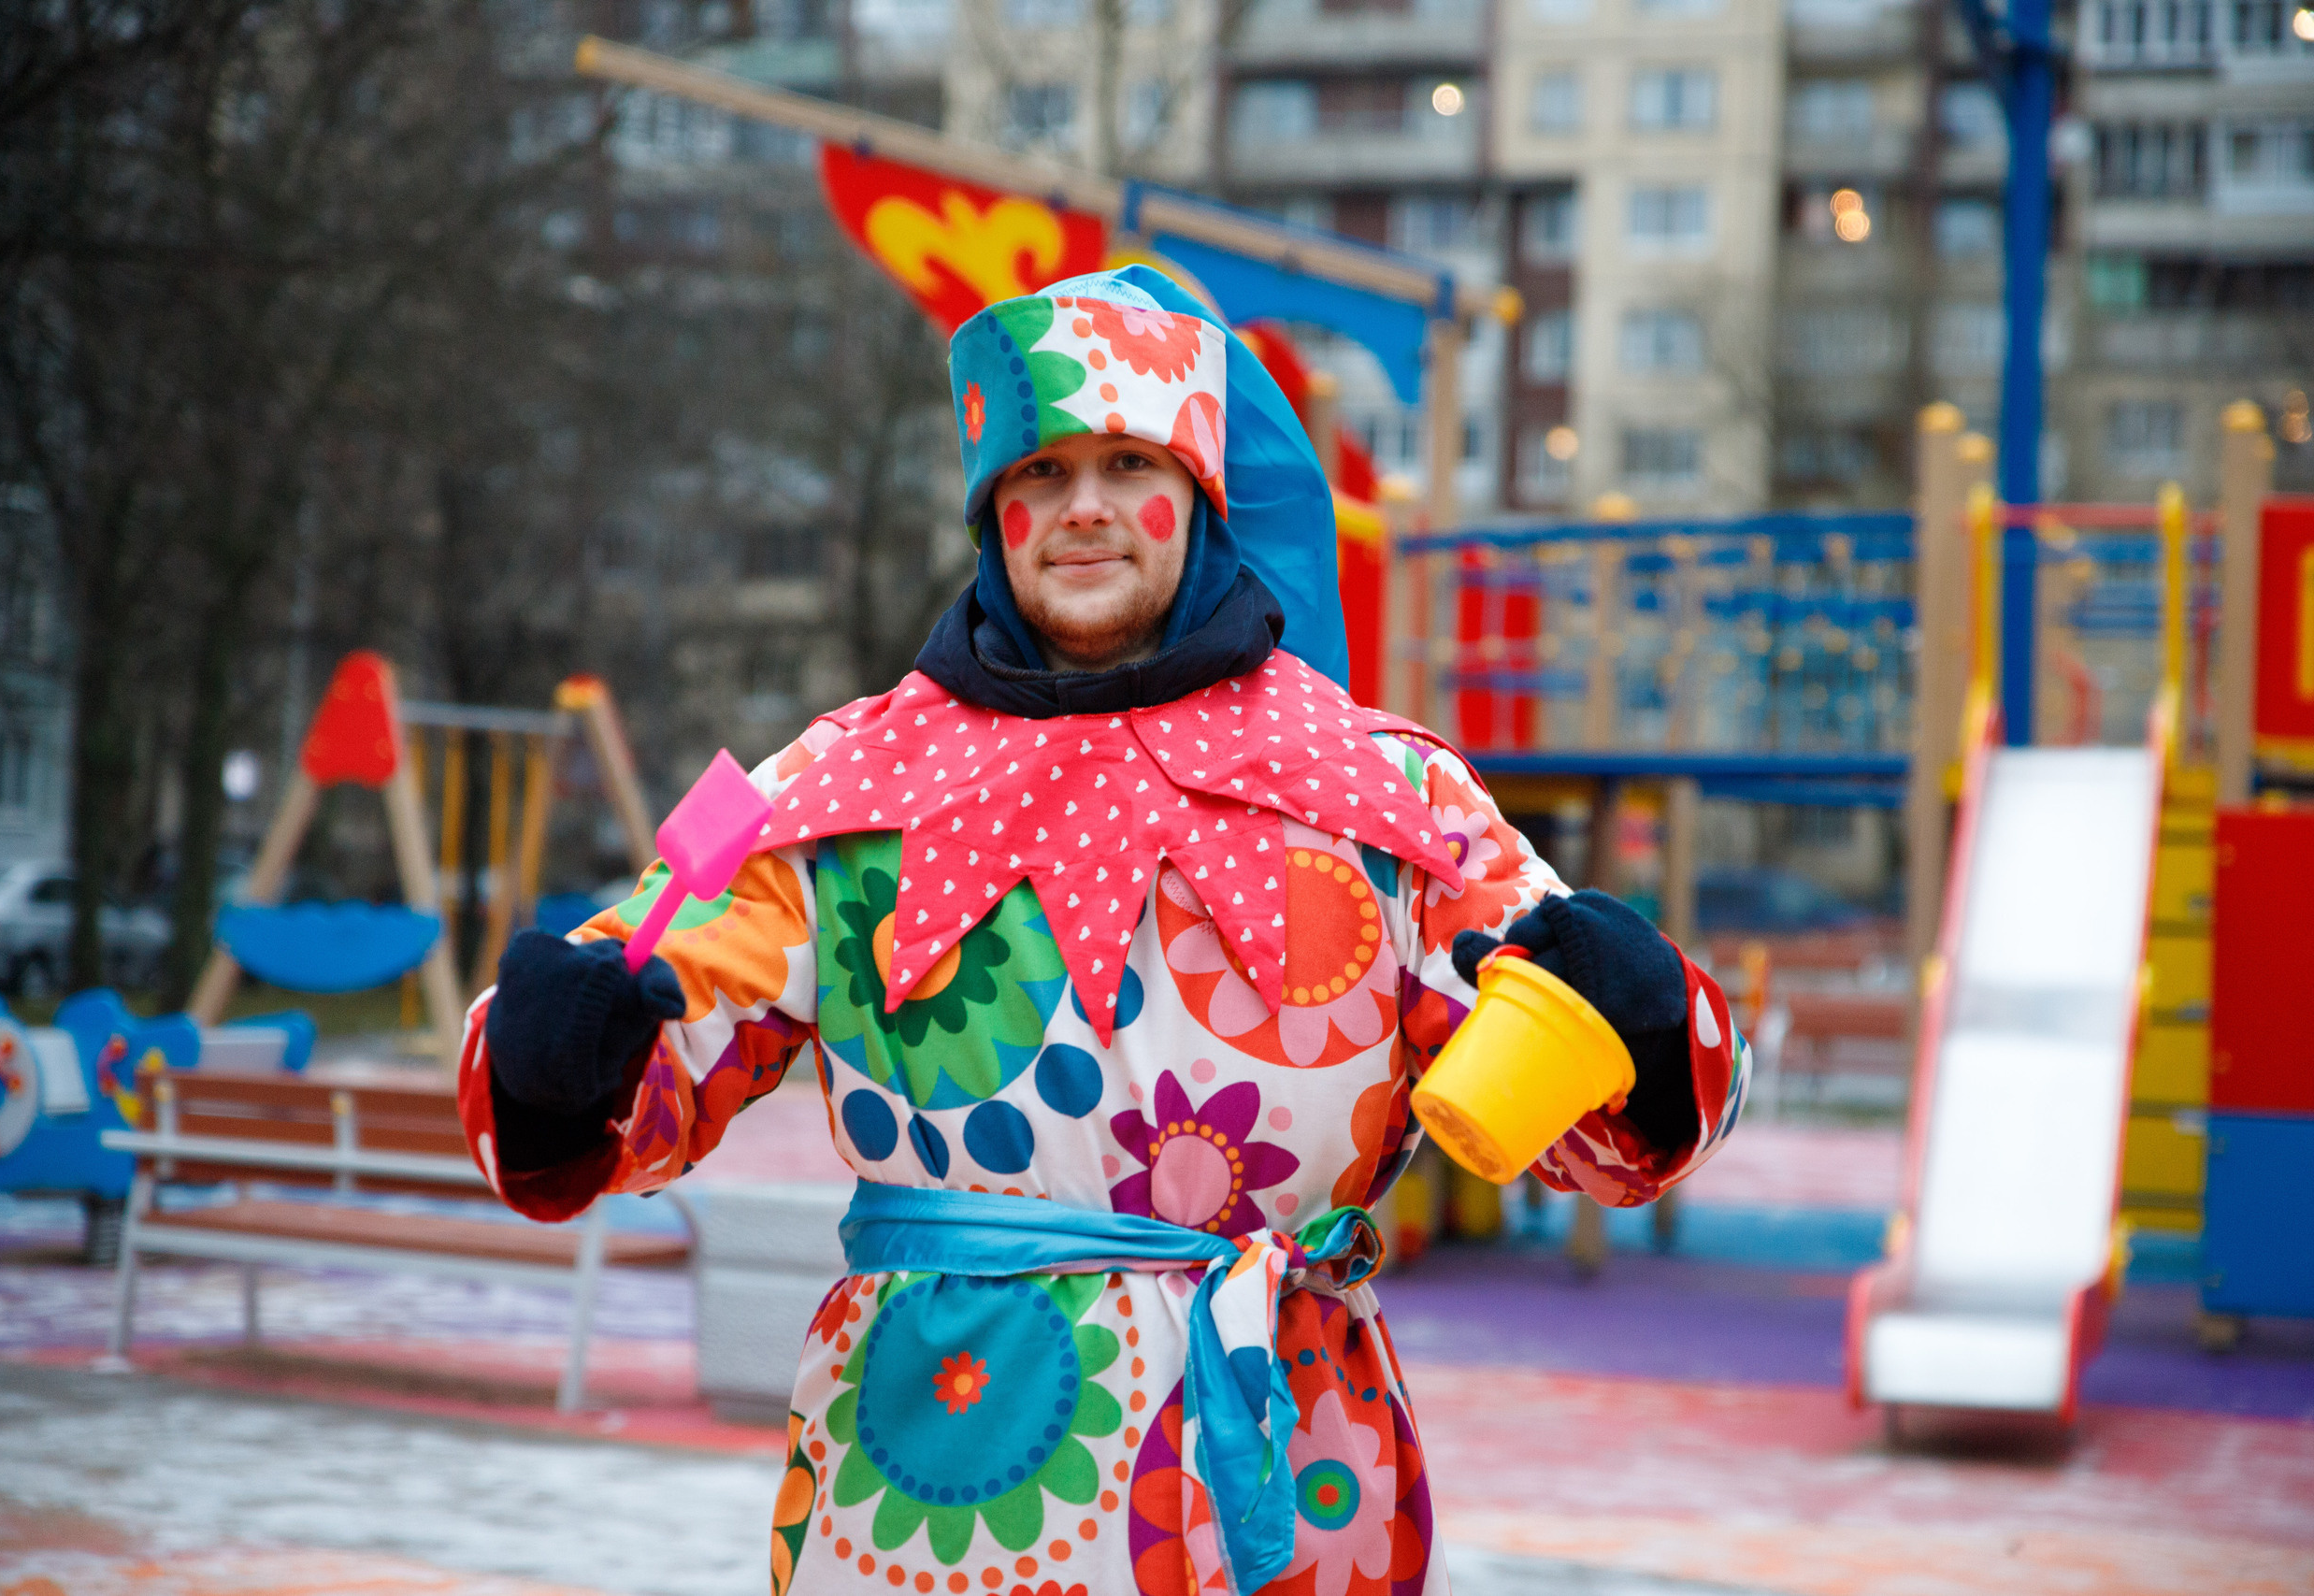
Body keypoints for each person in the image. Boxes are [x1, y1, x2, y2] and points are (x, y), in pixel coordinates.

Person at [463, 266, 1749, 1596]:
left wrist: (1647, 1026)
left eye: (1129, 462)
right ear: (994, 512)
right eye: (1042, 472)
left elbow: (1612, 1128)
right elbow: (632, 1037)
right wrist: (552, 1062)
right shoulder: (833, 780)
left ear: (1198, 492)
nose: (1084, 507)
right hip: (928, 1489)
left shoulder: (1394, 790)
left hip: (1275, 1475)